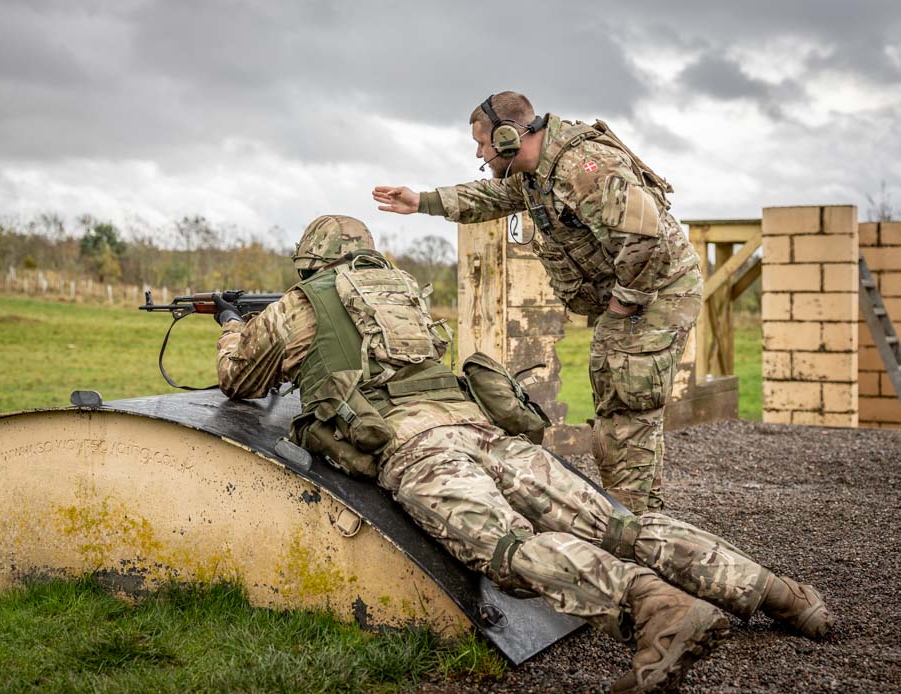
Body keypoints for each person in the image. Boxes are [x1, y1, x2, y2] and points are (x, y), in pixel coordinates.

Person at [214, 214, 831, 694]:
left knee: (505, 545)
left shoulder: (299, 305)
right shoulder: (404, 290)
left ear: (311, 262)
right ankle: (785, 596)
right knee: (617, 523)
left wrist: (231, 326)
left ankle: (655, 608)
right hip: (483, 430)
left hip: (415, 447)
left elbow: (239, 381)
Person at [373, 92, 701, 515]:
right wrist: (422, 201)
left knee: (626, 401)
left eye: (481, 143)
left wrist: (623, 306)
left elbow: (645, 239)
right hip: (637, 293)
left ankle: (633, 522)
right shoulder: (534, 173)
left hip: (656, 292)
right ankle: (642, 513)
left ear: (508, 137)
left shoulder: (586, 168)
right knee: (627, 405)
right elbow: (491, 198)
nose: (478, 152)